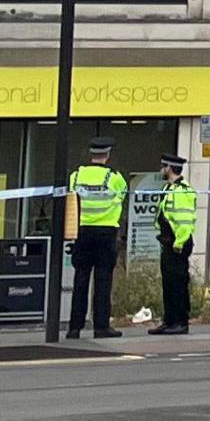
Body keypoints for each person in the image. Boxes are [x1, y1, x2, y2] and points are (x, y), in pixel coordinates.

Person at [64, 138, 128, 339]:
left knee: (80, 279)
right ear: (107, 155)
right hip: (106, 233)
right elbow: (121, 198)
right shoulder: (115, 178)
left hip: (82, 232)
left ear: (90, 154)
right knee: (103, 281)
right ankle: (101, 326)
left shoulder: (76, 176)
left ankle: (74, 328)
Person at [149, 156, 200, 335]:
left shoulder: (183, 191)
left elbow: (185, 221)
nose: (161, 170)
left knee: (178, 283)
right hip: (167, 241)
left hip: (178, 243)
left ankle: (180, 322)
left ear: (169, 168)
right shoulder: (169, 188)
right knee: (169, 283)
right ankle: (169, 320)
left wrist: (179, 243)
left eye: (163, 167)